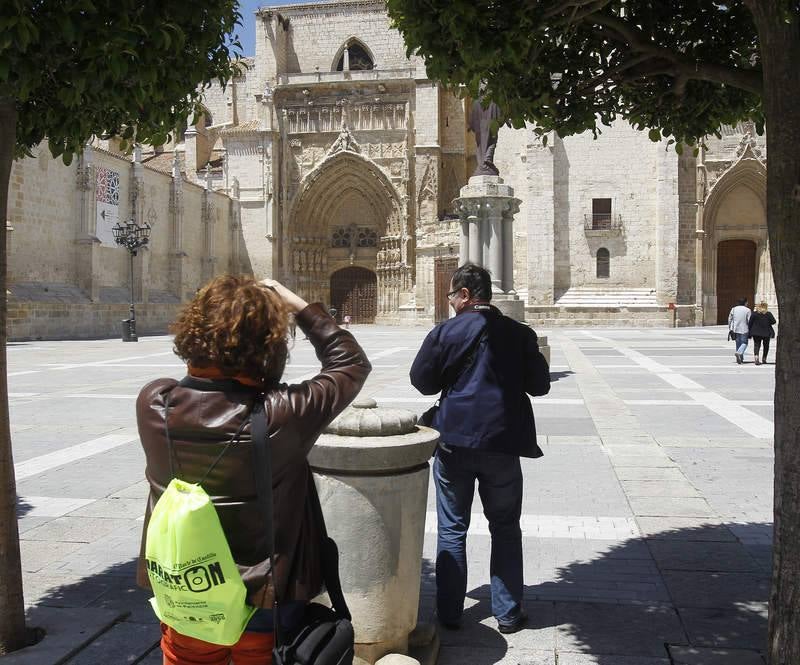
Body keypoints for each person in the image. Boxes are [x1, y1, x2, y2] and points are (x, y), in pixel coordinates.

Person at [135, 275, 371, 665]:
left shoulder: (154, 403)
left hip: (188, 590)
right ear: (268, 345)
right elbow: (350, 363)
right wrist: (298, 305)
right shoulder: (283, 413)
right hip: (264, 597)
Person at [409, 263, 550, 635]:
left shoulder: (446, 332)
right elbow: (540, 386)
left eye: (452, 295)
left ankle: (450, 613)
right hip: (502, 443)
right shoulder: (520, 333)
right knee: (505, 527)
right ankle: (508, 613)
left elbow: (422, 382)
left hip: (454, 441)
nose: (450, 302)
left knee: (452, 528)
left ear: (466, 295)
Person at [748, 300, 777, 365]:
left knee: (756, 345)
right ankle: (764, 358)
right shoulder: (768, 313)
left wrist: (749, 331)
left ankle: (756, 357)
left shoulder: (754, 313)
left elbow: (750, 323)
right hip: (766, 332)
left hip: (756, 332)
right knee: (766, 345)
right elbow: (774, 321)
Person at [728, 297, 751, 364]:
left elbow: (730, 319)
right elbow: (749, 320)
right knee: (744, 343)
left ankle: (740, 359)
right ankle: (739, 353)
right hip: (744, 329)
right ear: (745, 302)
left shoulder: (733, 309)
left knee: (738, 343)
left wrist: (730, 327)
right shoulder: (748, 310)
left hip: (735, 329)